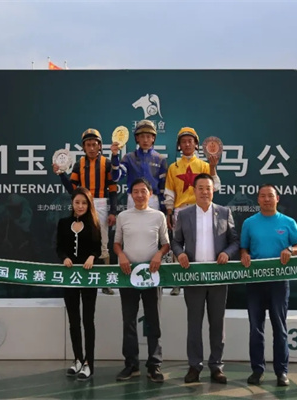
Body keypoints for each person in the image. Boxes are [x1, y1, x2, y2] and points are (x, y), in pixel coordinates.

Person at [171, 173, 239, 384]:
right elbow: (176, 241)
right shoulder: (184, 214)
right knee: (194, 324)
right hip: (194, 278)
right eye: (200, 188)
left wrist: (227, 252)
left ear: (213, 190)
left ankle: (216, 366)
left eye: (208, 188)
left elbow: (235, 241)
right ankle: (194, 366)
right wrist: (180, 254)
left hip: (217, 277)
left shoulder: (224, 212)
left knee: (217, 324)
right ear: (194, 190)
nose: (204, 192)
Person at [240, 184, 297, 387]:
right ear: (258, 199)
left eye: (270, 196)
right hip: (255, 281)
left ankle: (281, 371)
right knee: (255, 328)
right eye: (263, 196)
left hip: (279, 282)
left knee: (280, 327)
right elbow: (243, 248)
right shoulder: (249, 223)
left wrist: (290, 250)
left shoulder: (288, 222)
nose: (267, 199)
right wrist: (244, 255)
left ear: (277, 198)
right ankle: (257, 370)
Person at [113, 178, 170, 383]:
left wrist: (159, 255)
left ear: (150, 194)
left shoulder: (158, 216)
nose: (139, 195)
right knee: (128, 320)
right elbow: (116, 243)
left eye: (143, 191)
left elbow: (166, 244)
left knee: (153, 319)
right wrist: (121, 255)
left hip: (151, 276)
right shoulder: (123, 216)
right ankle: (131, 364)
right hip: (128, 275)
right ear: (131, 195)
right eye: (135, 191)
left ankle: (154, 365)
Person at [54, 128, 118, 295]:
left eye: (94, 144)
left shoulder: (107, 163)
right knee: (82, 239)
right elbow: (72, 189)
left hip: (101, 203)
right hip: (83, 204)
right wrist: (61, 174)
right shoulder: (78, 164)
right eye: (88, 145)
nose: (91, 148)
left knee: (103, 242)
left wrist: (113, 211)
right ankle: (83, 277)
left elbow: (113, 189)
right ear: (83, 147)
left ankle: (106, 282)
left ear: (100, 146)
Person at [164, 127, 221, 296]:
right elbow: (169, 193)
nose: (187, 144)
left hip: (200, 210)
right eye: (183, 141)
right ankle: (177, 282)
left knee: (200, 244)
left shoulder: (204, 165)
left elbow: (215, 186)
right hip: (180, 210)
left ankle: (197, 278)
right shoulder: (173, 167)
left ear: (196, 144)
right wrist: (169, 213)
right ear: (179, 145)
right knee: (178, 245)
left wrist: (212, 167)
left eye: (190, 141)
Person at [56, 187, 103, 381]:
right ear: (72, 204)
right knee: (73, 320)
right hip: (70, 277)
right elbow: (59, 247)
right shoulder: (63, 223)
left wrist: (92, 257)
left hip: (88, 277)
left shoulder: (94, 224)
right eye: (77, 202)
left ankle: (88, 363)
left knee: (88, 320)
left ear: (89, 204)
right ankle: (77, 359)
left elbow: (97, 248)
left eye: (84, 203)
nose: (80, 206)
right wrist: (64, 258)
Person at [111, 120, 167, 211]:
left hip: (153, 199)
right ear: (137, 138)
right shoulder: (129, 157)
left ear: (153, 138)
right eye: (142, 136)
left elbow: (163, 187)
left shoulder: (160, 159)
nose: (145, 140)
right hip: (133, 198)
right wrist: (115, 156)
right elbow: (116, 177)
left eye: (148, 136)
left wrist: (164, 208)